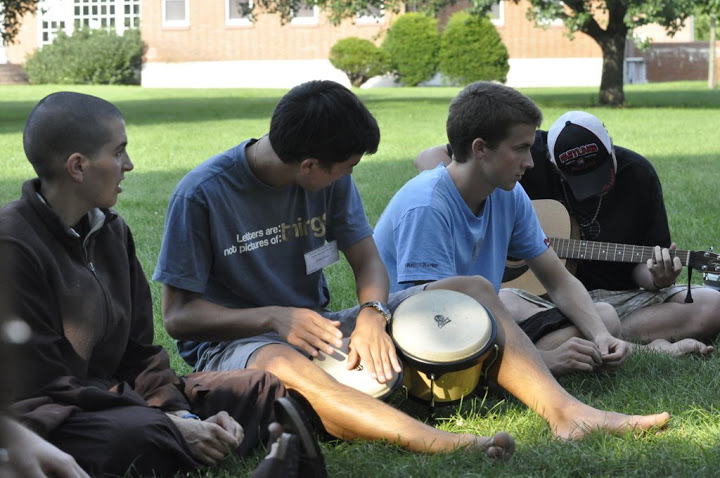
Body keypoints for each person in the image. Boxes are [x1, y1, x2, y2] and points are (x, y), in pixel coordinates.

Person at [153, 79, 669, 455]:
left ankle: (567, 414)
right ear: (308, 166)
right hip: (235, 342)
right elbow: (178, 318)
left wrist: (372, 313)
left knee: (473, 288)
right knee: (285, 363)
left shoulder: (330, 178)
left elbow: (366, 258)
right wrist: (272, 317)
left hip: (319, 326)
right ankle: (438, 442)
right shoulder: (202, 195)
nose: (347, 179)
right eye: (344, 169)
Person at [0, 91, 324, 477]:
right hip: (50, 417)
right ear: (78, 166)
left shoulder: (111, 231)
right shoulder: (14, 245)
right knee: (140, 434)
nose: (129, 164)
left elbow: (139, 350)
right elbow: (43, 384)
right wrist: (167, 422)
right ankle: (205, 446)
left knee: (260, 387)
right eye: (119, 152)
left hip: (117, 397)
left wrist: (177, 410)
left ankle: (192, 441)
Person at [413, 109, 718, 369]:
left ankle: (593, 335)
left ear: (611, 145)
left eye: (600, 173)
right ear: (550, 160)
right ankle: (628, 342)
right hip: (535, 300)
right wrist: (482, 218)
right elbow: (428, 158)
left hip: (619, 299)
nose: (593, 188)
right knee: (498, 301)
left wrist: (659, 278)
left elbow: (644, 271)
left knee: (712, 305)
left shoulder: (638, 175)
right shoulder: (522, 155)